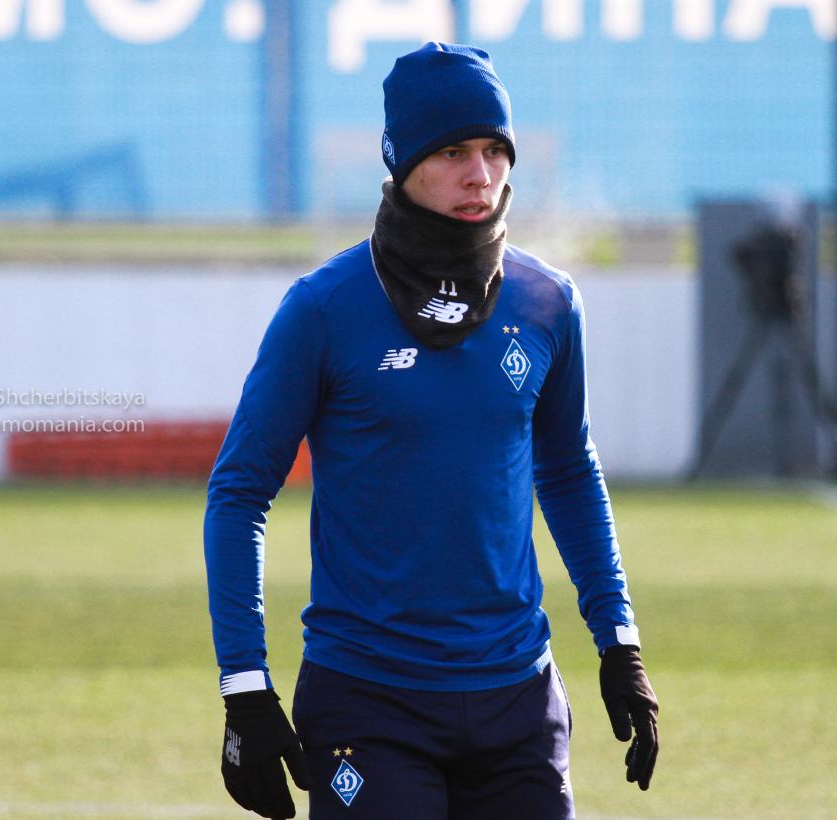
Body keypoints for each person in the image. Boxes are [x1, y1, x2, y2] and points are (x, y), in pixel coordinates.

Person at [204, 41, 657, 819]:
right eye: (452, 152)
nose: (480, 174)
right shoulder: (324, 308)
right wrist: (245, 686)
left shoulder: (548, 303)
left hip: (518, 701)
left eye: (494, 150)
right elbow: (240, 492)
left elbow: (569, 471)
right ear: (402, 160)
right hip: (369, 704)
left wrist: (619, 641)